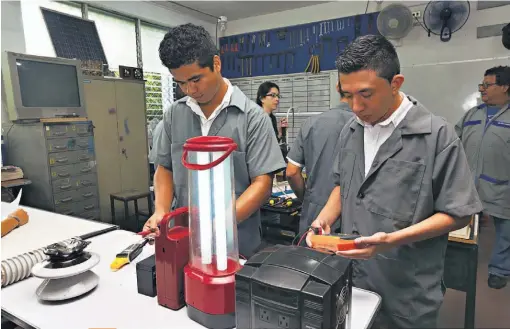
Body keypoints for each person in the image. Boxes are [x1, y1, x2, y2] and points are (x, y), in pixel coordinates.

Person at [306, 35, 483, 328]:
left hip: (405, 292)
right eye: (347, 95)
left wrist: (390, 241)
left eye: (365, 94)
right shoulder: (352, 131)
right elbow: (343, 186)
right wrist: (322, 220)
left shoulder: (437, 136)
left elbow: (459, 213)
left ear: (396, 83)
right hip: (352, 281)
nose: (355, 106)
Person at [144, 23, 286, 258]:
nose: (190, 90)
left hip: (237, 244)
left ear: (216, 64)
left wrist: (219, 223)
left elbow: (262, 184)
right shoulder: (173, 115)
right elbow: (164, 167)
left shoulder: (253, 118)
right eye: (180, 83)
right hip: (184, 240)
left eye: (196, 79)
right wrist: (160, 211)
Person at [455, 65, 510, 289]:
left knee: (506, 230)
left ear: (505, 87)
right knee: (462, 227)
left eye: (488, 85)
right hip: (470, 185)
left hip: (502, 186)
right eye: (482, 85)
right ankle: (459, 267)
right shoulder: (472, 114)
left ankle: (499, 270)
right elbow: (454, 139)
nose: (482, 90)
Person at [286, 82, 353, 232]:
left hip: (314, 214)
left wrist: (306, 198)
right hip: (352, 218)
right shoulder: (367, 125)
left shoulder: (312, 123)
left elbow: (291, 172)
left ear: (337, 87)